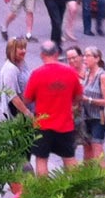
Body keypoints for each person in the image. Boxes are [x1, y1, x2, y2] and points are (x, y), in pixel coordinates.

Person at [22, 40, 82, 176]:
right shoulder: (70, 72)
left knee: (41, 159)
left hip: (43, 124)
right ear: (57, 53)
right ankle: (75, 190)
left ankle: (44, 192)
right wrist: (71, 105)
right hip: (65, 124)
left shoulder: (37, 73)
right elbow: (78, 96)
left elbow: (27, 99)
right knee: (69, 158)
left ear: (42, 55)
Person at [79, 47, 105, 165]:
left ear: (97, 58)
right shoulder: (87, 73)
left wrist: (88, 99)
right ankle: (87, 179)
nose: (85, 58)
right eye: (84, 55)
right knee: (87, 149)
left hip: (98, 118)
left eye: (88, 56)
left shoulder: (102, 76)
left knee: (97, 149)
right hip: (86, 117)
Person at [0, 37, 33, 121]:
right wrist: (27, 113)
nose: (24, 51)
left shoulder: (21, 62)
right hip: (18, 112)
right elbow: (13, 96)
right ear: (12, 50)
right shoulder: (10, 69)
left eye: (25, 48)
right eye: (21, 48)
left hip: (27, 106)